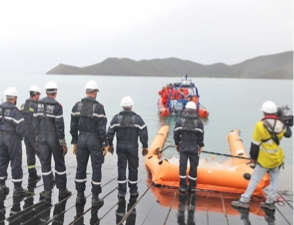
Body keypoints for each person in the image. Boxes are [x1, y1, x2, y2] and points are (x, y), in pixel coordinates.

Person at [232, 101, 292, 210]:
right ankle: (270, 202)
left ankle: (244, 200)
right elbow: (288, 134)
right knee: (275, 180)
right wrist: (287, 123)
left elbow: (255, 144)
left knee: (254, 179)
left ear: (264, 112)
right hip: (277, 158)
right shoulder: (281, 124)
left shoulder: (260, 124)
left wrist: (253, 157)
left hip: (264, 158)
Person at [70, 80, 108, 207]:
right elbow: (102, 129)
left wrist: (75, 141)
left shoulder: (76, 106)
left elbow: (73, 127)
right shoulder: (99, 107)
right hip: (94, 140)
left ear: (86, 92)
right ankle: (95, 198)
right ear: (95, 93)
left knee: (81, 167)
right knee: (96, 167)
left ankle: (80, 196)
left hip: (81, 138)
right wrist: (105, 143)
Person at [33, 81, 71, 203]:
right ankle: (62, 190)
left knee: (45, 164)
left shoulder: (37, 105)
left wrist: (36, 139)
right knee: (59, 163)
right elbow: (60, 126)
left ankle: (47, 191)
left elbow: (35, 123)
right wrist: (63, 143)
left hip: (41, 137)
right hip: (54, 137)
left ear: (46, 92)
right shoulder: (57, 106)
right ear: (55, 93)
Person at [107, 96, 148, 198]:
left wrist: (110, 144)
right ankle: (133, 191)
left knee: (121, 167)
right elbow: (143, 133)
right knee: (133, 168)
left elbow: (110, 132)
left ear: (122, 106)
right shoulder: (138, 119)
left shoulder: (116, 118)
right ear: (131, 106)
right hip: (133, 146)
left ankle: (121, 192)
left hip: (120, 146)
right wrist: (145, 146)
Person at [0, 87, 27, 197]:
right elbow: (21, 129)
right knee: (16, 161)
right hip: (12, 138)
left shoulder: (0, 109)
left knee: (1, 160)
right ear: (14, 98)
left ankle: (1, 185)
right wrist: (21, 137)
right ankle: (17, 188)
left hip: (1, 136)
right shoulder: (15, 111)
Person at [173, 101, 204, 193]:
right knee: (194, 166)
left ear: (186, 109)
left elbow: (176, 133)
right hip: (194, 146)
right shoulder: (199, 123)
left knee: (183, 166)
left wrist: (177, 143)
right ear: (194, 110)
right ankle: (192, 187)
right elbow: (201, 135)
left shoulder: (179, 121)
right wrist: (200, 145)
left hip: (183, 146)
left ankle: (182, 186)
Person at [20, 85, 42, 181]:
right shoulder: (36, 106)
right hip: (34, 133)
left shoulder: (22, 106)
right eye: (39, 95)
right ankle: (49, 175)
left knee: (30, 154)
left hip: (25, 133)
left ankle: (32, 175)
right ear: (36, 95)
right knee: (41, 154)